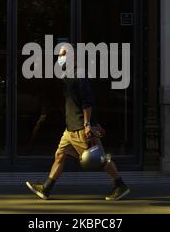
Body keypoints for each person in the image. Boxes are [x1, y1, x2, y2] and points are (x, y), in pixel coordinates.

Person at [26, 44, 130, 201]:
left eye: (63, 55)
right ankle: (46, 189)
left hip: (80, 127)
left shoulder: (78, 75)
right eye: (59, 55)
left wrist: (89, 124)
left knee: (98, 159)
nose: (60, 58)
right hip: (70, 129)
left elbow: (87, 102)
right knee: (60, 155)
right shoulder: (68, 75)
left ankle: (120, 185)